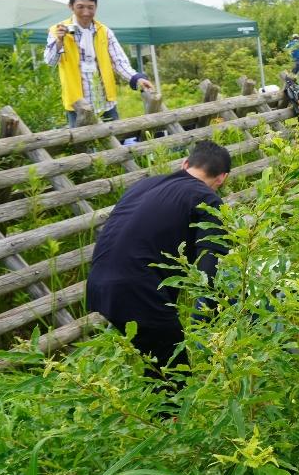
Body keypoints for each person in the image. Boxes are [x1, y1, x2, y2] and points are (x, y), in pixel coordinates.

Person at [85, 141, 232, 386]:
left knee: (158, 360)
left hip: (99, 282)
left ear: (185, 164)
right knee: (175, 372)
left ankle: (152, 414)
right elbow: (211, 258)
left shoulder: (144, 185)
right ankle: (170, 419)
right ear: (222, 178)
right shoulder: (207, 199)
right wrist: (207, 314)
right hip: (138, 290)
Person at [44, 0, 155, 128]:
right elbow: (50, 61)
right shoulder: (58, 30)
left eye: (90, 7)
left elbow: (119, 61)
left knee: (114, 142)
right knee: (84, 146)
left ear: (96, 7)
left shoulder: (104, 31)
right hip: (77, 104)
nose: (86, 12)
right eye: (80, 7)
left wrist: (137, 78)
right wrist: (59, 41)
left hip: (106, 101)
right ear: (71, 6)